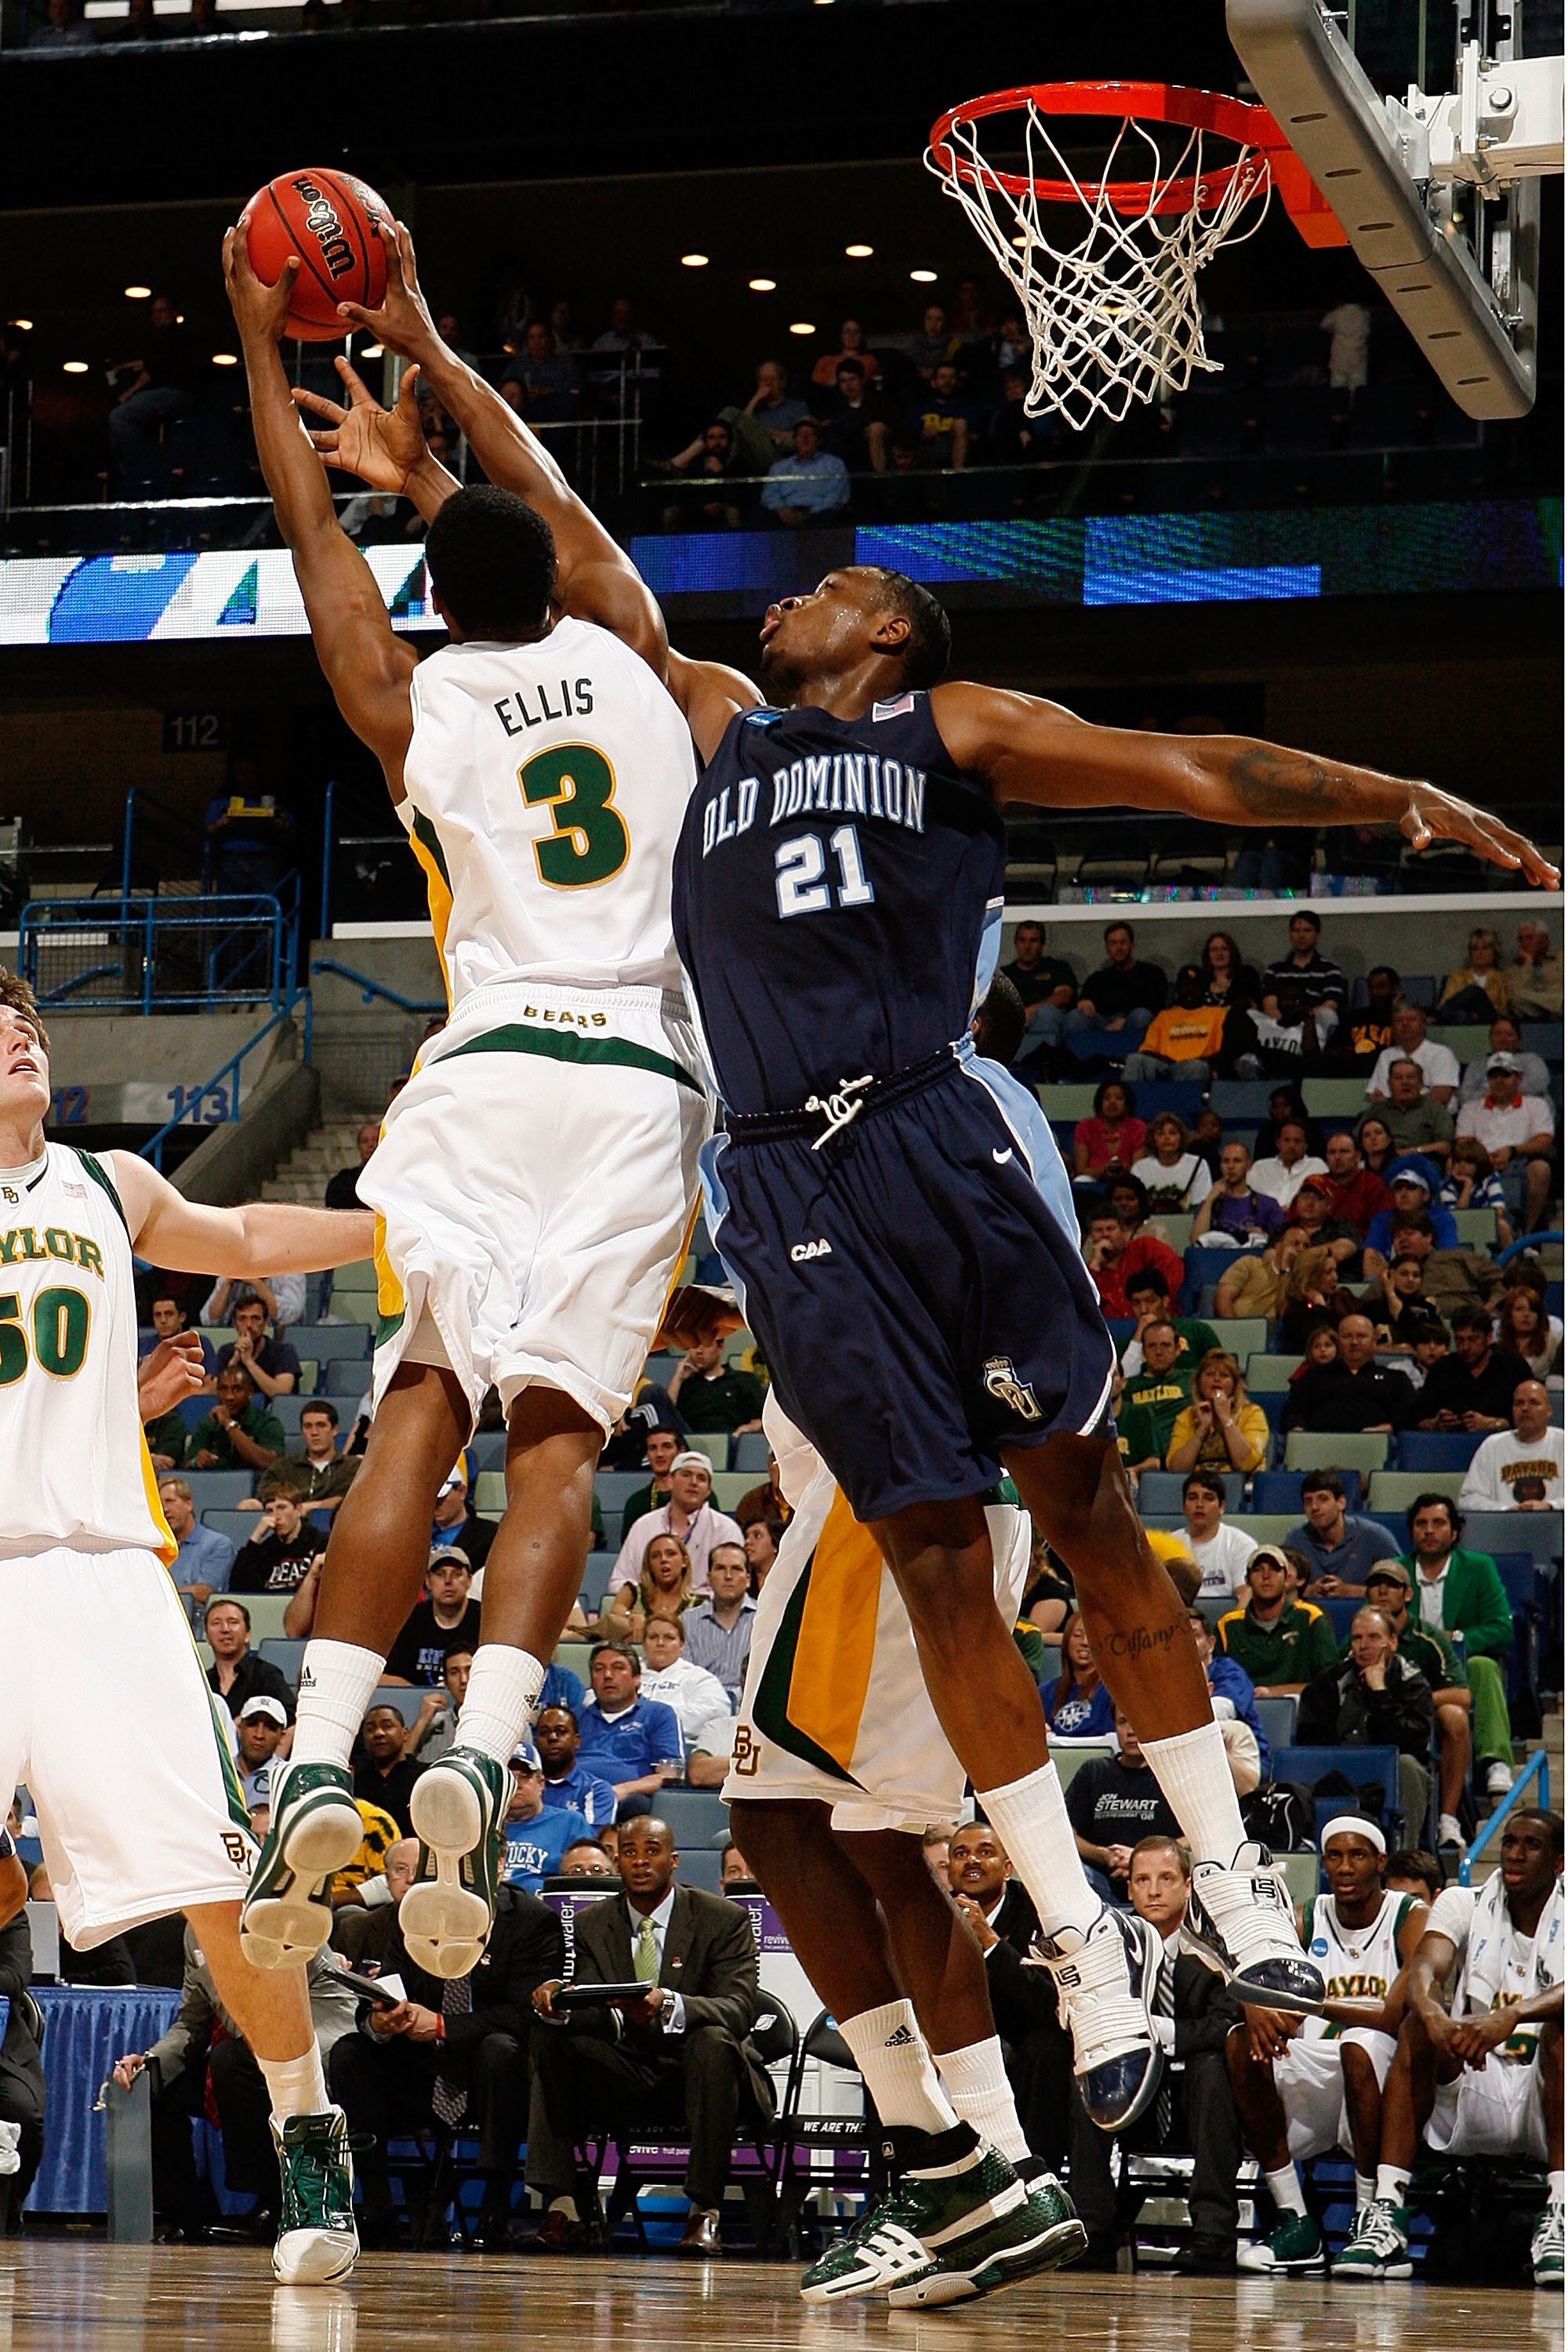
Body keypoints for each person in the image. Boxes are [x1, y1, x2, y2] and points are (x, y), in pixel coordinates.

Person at [314, 234, 1557, 2254]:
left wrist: (1393, 793)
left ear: (882, 638)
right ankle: (1021, 2031)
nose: (802, 582)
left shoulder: (937, 728)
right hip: (779, 1185)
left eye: (838, 581)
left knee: (1074, 1510)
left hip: (927, 1121)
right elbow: (568, 539)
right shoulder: (702, 722)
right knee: (871, 1658)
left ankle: (1181, 1911)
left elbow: (1188, 770)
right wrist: (440, 371)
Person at [224, 224, 715, 1992]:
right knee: (559, 1442)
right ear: (570, 589)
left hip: (487, 1064)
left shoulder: (413, 695)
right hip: (641, 1082)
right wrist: (434, 352)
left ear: (441, 598)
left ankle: (312, 1761)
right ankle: (482, 1750)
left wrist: (254, 336)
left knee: (418, 1402)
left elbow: (309, 547)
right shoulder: (657, 667)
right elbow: (552, 504)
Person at [0, 971, 372, 2281]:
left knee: (219, 1885)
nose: (20, 1042)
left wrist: (381, 1228)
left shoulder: (110, 1186)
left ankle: (307, 2126)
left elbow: (252, 1238)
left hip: (99, 1570)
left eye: (31, 1028)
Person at [526, 1815, 773, 2257]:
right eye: (629, 1852)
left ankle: (704, 2212)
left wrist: (671, 2004)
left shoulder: (724, 1919)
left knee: (713, 2042)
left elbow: (737, 2011)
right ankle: (565, 2208)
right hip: (628, 2072)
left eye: (651, 1851)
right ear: (616, 1861)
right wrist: (561, 2004)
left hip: (704, 2078)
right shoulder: (593, 1924)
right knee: (551, 2040)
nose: (640, 1861)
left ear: (674, 1860)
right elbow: (598, 2016)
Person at [1334, 1809, 1563, 2287]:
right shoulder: (1464, 1901)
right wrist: (1437, 2016)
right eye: (1511, 1842)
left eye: (1533, 1845)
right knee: (1418, 2025)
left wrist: (1513, 2015)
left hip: (1549, 2094)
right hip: (1475, 2084)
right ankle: (1388, 2211)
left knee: (1563, 2031)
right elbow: (1423, 1969)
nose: (1516, 1854)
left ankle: (1560, 2214)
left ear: (1560, 1862)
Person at [329, 1849, 564, 2252]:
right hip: (421, 2071)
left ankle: (494, 2208)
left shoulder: (531, 1919)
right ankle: (376, 2206)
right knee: (351, 2051)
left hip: (493, 2079)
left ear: (498, 1859)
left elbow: (527, 2014)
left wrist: (442, 2025)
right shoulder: (417, 1916)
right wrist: (380, 2019)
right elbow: (386, 1990)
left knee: (499, 2049)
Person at [1232, 1817, 1428, 2274]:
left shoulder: (1409, 1915)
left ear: (1380, 1861)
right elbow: (1251, 1968)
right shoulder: (1307, 1914)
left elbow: (1393, 2014)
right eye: (1335, 1857)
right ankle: (1295, 2218)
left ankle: (1368, 2215)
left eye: (1357, 1856)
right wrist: (1255, 2008)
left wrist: (1313, 2006)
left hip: (1382, 2064)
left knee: (1358, 2045)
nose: (1344, 1867)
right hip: (1319, 2063)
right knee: (1241, 2043)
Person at [114, 1925, 358, 2247]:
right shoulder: (195, 1933)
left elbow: (273, 2007)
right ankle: (186, 2217)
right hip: (253, 2048)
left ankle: (275, 2204)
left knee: (232, 2060)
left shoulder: (278, 1915)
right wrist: (150, 2061)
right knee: (159, 2084)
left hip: (321, 2040)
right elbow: (191, 2023)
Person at [1069, 1836, 1246, 2274]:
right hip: (1130, 2098)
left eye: (1166, 1879)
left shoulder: (1217, 1944)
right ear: (1127, 1889)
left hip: (1197, 2102)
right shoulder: (1109, 1945)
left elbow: (1226, 2023)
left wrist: (1160, 2032)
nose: (1153, 1891)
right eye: (1142, 1880)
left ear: (1188, 1886)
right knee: (1088, 2076)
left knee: (1212, 2067)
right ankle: (1091, 2231)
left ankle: (1213, 2234)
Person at [1397, 1494, 1516, 1801]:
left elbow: (1502, 1627)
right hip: (1408, 1669)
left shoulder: (1478, 1568)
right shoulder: (1397, 1571)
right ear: (1411, 1531)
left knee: (1485, 1666)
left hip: (1460, 1666)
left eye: (1438, 1523)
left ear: (1453, 1531)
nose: (1429, 1530)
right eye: (1421, 1524)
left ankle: (1495, 1760)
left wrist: (1456, 1639)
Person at [1296, 1607, 1435, 1843]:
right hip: (1339, 1774)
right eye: (1357, 1638)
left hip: (1392, 1778)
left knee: (1408, 1765)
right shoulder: (1329, 1682)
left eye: (1373, 1637)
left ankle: (1403, 1857)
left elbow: (1412, 1742)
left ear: (1392, 1642)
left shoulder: (1412, 1683)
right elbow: (1309, 1738)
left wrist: (1379, 1692)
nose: (1363, 1645)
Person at [1359, 1562, 1472, 1849]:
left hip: (1418, 1722)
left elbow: (1462, 1694)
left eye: (1391, 1585)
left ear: (1408, 1594)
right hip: (1373, 1724)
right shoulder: (1358, 1639)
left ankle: (1447, 1817)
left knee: (1454, 1716)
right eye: (1375, 1585)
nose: (1383, 1591)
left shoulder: (1428, 1638)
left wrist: (1415, 1699)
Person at [1065, 1711, 1184, 1900]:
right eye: (1123, 1722)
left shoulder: (1172, 1775)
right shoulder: (1094, 1771)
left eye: (1138, 1722)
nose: (1131, 1732)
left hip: (1158, 1879)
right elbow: (1067, 1832)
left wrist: (1141, 1858)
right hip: (1099, 1880)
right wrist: (1103, 1855)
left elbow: (1194, 1836)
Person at [612, 1455, 744, 1600]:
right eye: (686, 1475)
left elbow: (734, 1585)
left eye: (701, 1478)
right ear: (670, 1482)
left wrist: (685, 1601)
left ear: (708, 1491)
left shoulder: (726, 1530)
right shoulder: (643, 1526)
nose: (694, 1482)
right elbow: (618, 1582)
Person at [1218, 1547, 1338, 1698]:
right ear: (1247, 1580)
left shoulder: (1310, 1618)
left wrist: (1273, 1693)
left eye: (1274, 1569)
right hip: (1243, 1706)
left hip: (1301, 1707)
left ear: (1287, 1578)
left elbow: (1329, 1681)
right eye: (1258, 1570)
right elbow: (1218, 1682)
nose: (1266, 1576)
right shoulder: (1228, 1625)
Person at [1456, 1053, 1556, 1233]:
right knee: (1453, 1164)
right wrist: (1487, 1159)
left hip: (1520, 1161)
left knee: (1541, 1169)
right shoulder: (1470, 1108)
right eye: (1494, 1076)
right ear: (1488, 1080)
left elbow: (1544, 1141)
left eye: (1506, 1075)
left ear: (1519, 1078)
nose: (1499, 1081)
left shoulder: (1536, 1105)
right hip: (1480, 1163)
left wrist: (1512, 1151)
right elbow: (1463, 1143)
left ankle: (1526, 1236)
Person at [575, 1644, 684, 1805]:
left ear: (637, 1678)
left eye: (618, 1668)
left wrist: (622, 1790)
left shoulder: (658, 1714)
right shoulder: (575, 1718)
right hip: (575, 1799)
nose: (608, 1675)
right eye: (599, 1669)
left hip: (628, 1801)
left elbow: (670, 1776)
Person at [1279, 1312, 1415, 1435]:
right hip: (1320, 1450)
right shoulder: (1313, 1377)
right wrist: (1298, 1431)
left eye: (1361, 1336)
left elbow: (1410, 1416)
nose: (1354, 1342)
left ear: (1374, 1341)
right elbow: (1292, 1413)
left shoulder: (1396, 1379)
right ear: (1338, 1342)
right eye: (1347, 1336)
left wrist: (1390, 1428)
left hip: (1374, 1449)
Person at [1413, 1305, 1533, 1432]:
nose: (1465, 1347)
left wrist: (1495, 1423)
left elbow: (1533, 1416)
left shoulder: (1513, 1366)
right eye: (1460, 1340)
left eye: (1473, 1339)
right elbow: (1416, 1419)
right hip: (1451, 1443)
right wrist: (1435, 1424)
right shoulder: (1442, 1369)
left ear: (1489, 1337)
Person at [1186, 1611, 1269, 1788]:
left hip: (1243, 1765)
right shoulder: (1169, 1678)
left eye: (1193, 1635)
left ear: (1210, 1644)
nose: (1185, 1643)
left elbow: (1218, 1711)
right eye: (1180, 1636)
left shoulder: (1229, 1671)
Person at [1285, 1470, 1399, 1595]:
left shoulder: (1375, 1536)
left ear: (1341, 1503)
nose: (1314, 1507)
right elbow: (1282, 1589)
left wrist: (1348, 1591)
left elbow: (1399, 1590)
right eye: (1308, 1502)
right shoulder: (1296, 1538)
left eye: (1323, 1499)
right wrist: (1312, 1591)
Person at [1460, 1377, 1565, 1512]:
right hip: (1504, 1528)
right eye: (1519, 1403)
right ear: (1512, 1411)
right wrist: (1507, 1511)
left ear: (1549, 1411)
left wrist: (1551, 1506)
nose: (1525, 1408)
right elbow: (1468, 1499)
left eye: (1534, 1403)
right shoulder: (1492, 1446)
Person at [499, 1744, 593, 1893]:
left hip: (547, 1909)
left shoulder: (570, 1823)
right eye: (508, 1777)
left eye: (524, 1777)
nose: (516, 1784)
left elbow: (588, 1880)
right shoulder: (483, 1826)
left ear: (541, 1783)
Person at [383, 1548, 483, 1685]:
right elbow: (384, 1676)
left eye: (456, 1574)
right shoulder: (410, 1619)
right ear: (428, 1581)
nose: (448, 1581)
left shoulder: (484, 1619)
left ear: (469, 1580)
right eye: (440, 1574)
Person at [1165, 1352, 1269, 1479]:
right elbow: (1176, 1470)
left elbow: (1246, 1464)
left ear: (1235, 1385)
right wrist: (1201, 1430)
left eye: (1224, 1375)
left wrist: (1226, 1419)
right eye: (1209, 1374)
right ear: (1198, 1382)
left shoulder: (1252, 1413)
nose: (1217, 1379)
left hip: (1241, 1490)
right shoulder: (1186, 1416)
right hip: (1196, 1490)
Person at [1121, 964, 1229, 1086]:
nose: (1189, 990)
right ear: (1178, 989)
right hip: (1164, 1066)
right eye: (1185, 986)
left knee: (1196, 1067)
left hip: (1197, 1066)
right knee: (1135, 1060)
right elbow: (1147, 1050)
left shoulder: (1218, 1014)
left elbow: (1222, 1052)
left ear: (1204, 989)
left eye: (1195, 986)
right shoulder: (1164, 1016)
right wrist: (1169, 1062)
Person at [254, 1401, 359, 1519]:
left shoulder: (352, 1466)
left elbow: (351, 1500)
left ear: (334, 1430)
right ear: (302, 1432)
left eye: (321, 1425)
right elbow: (265, 1498)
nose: (314, 1433)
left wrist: (309, 1507)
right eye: (308, 1426)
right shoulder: (283, 1467)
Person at [1116, 1320, 1196, 1472]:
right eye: (1152, 1346)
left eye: (1165, 1345)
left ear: (1178, 1349)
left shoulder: (1193, 1381)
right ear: (1143, 1353)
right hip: (1139, 1460)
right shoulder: (1127, 1387)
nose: (1159, 1352)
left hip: (1181, 1457)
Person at [679, 1544, 756, 1699]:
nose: (728, 1576)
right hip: (700, 1707)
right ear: (709, 1579)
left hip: (751, 1708)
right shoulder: (687, 1622)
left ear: (748, 1580)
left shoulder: (765, 1620)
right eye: (720, 1568)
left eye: (736, 1569)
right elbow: (683, 1677)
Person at [158, 1475, 237, 1624]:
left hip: (199, 1624)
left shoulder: (218, 1544)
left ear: (188, 1504)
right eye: (160, 1505)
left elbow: (204, 1592)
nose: (165, 1510)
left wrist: (157, 1593)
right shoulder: (156, 1548)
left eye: (170, 1502)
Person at [205, 1596, 296, 1724]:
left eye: (233, 1622)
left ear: (248, 1634)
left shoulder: (267, 1675)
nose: (225, 1629)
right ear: (207, 1637)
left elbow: (291, 1717)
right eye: (216, 1623)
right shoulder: (202, 1683)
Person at [1082, 1203, 1181, 1321]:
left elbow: (1174, 1271)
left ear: (1123, 1232)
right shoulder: (1091, 1270)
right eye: (1099, 1230)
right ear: (1091, 1236)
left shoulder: (1145, 1247)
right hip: (1113, 1332)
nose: (1105, 1235)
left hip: (1156, 1325)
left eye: (1111, 1229)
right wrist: (1096, 1263)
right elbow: (1085, 1305)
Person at [1116, 1272, 1218, 1380]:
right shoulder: (1125, 1346)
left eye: (1150, 1301)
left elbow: (1221, 1369)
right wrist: (1137, 1340)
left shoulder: (1197, 1331)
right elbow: (1122, 1384)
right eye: (1136, 1303)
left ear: (1165, 1301)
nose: (1143, 1310)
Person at [188, 1363, 284, 1476]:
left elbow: (268, 1463)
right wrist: (197, 1461)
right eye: (223, 1389)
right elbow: (185, 1465)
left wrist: (229, 1425)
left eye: (237, 1389)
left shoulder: (268, 1423)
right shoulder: (208, 1423)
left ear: (250, 1392)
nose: (230, 1397)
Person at [533, 1704, 617, 1832]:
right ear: (535, 1742)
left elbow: (592, 1847)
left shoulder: (597, 1790)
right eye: (544, 1733)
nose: (553, 1738)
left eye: (561, 1731)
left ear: (576, 1741)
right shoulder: (525, 1789)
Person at [1178, 1472, 1258, 1602]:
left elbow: (1245, 1594)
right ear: (1183, 1507)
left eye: (1208, 1498)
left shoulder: (1242, 1544)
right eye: (1192, 1498)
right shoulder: (1170, 1543)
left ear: (1222, 1507)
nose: (1199, 1504)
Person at [664, 1333, 764, 1436]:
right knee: (653, 1392)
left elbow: (759, 1421)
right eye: (694, 1346)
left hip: (730, 1437)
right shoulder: (685, 1383)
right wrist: (678, 1378)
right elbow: (666, 1415)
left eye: (706, 1345)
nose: (699, 1351)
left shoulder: (743, 1380)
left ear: (720, 1348)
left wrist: (745, 1429)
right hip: (690, 1439)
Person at [1366, 999, 1460, 1106]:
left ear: (1423, 1025)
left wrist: (1403, 1105)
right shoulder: (1386, 1056)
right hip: (1394, 1118)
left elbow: (1442, 1095)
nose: (1405, 1024)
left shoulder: (1441, 1053)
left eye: (1411, 1019)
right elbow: (1376, 1096)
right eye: (1399, 1020)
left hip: (1431, 1118)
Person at [1192, 1142, 1287, 1247]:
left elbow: (1282, 1243)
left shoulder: (1268, 1204)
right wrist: (1209, 1200)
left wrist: (1263, 1236)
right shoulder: (1210, 1204)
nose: (1231, 1166)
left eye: (1237, 1161)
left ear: (1249, 1165)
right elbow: (1196, 1242)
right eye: (1226, 1161)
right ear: (1220, 1166)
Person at [231, 1490, 326, 1595]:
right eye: (269, 1511)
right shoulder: (265, 1550)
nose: (276, 1516)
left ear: (299, 1510)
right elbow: (238, 1588)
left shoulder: (320, 1542)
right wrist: (255, 1537)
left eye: (281, 1508)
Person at [1261, 909, 1345, 1026]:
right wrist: (1286, 1022)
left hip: (1314, 1025)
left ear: (1318, 936)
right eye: (1296, 931)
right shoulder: (1275, 970)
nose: (1301, 935)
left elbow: (1331, 1004)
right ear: (1290, 935)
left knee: (1328, 1015)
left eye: (1307, 931)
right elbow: (1269, 1006)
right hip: (1280, 1026)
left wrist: (1303, 1020)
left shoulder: (1330, 970)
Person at [760, 418, 851, 525]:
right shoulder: (779, 467)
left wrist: (811, 513)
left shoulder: (834, 464)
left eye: (811, 434)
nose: (805, 438)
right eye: (801, 434)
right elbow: (769, 494)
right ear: (795, 440)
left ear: (819, 440)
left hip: (820, 514)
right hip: (786, 512)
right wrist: (781, 509)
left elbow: (837, 497)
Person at [1361, 1163, 1458, 1262]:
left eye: (1411, 1187)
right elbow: (1370, 1258)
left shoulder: (1442, 1218)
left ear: (1426, 1194)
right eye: (1398, 1188)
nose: (1403, 1194)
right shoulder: (1382, 1219)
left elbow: (1448, 1258)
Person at [353, 1705, 425, 1838]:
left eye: (387, 1726)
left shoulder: (424, 1777)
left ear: (405, 1734)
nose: (379, 1733)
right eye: (370, 1729)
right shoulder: (355, 1781)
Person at [1214, 1223, 1307, 1325]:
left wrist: (1285, 1270)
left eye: (1306, 1246)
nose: (1301, 1250)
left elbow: (1282, 1313)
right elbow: (1223, 1297)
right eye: (1295, 1244)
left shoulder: (1301, 1283)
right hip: (1235, 1326)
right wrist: (1233, 1329)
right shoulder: (1249, 1263)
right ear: (1278, 1247)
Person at [212, 1296, 301, 1401]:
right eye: (242, 1319)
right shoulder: (226, 1351)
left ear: (265, 1323)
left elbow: (281, 1394)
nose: (249, 1325)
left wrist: (249, 1362)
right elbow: (214, 1393)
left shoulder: (283, 1351)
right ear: (235, 1324)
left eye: (255, 1318)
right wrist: (233, 1363)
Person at [1042, 1613, 1114, 1739]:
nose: (1085, 1643)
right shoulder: (1045, 1692)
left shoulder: (1114, 1692)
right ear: (1066, 1641)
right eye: (1078, 1635)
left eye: (1092, 1636)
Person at [1376, 1058, 1456, 1170]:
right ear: (1389, 1084)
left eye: (1411, 1077)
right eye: (1398, 1078)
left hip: (1422, 1165)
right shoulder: (1377, 1111)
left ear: (1421, 1082)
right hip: (1384, 1165)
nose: (1405, 1082)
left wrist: (1415, 1151)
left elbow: (1446, 1146)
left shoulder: (1435, 1109)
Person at [1457, 1014, 1552, 1106]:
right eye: (1498, 1034)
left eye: (1509, 1034)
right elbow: (1465, 1097)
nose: (1503, 1038)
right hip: (1486, 1117)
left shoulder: (1531, 1060)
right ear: (1491, 1038)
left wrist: (1497, 1093)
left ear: (1518, 1039)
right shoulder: (1476, 1065)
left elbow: (1538, 1085)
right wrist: (1495, 1094)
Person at [1129, 1113, 1209, 1214]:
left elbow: (1200, 1206)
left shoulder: (1198, 1165)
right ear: (1153, 1140)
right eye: (1160, 1134)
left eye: (1173, 1133)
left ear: (1181, 1137)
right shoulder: (1140, 1168)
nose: (1167, 1137)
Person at [1072, 1080, 1146, 1184]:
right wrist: (1103, 1170)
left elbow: (1139, 1170)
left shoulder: (1138, 1127)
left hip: (1128, 1181)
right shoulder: (1085, 1126)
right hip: (1094, 1179)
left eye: (1119, 1098)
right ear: (1100, 1103)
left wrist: (1123, 1169)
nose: (1112, 1102)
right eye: (1107, 1098)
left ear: (1127, 1104)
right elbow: (1081, 1170)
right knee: (1081, 1181)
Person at [1321, 1128, 1393, 1233]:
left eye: (1344, 1152)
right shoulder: (1316, 1184)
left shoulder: (1373, 1185)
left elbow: (1382, 1228)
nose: (1337, 1157)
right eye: (1332, 1153)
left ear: (1358, 1156)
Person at [618, 1425, 682, 1541]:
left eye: (667, 1447)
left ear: (680, 1451)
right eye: (653, 1448)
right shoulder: (636, 1503)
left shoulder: (698, 1496)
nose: (659, 1454)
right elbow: (629, 1552)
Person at [1248, 1120, 1328, 1211]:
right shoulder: (1260, 1168)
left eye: (1297, 1141)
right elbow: (1248, 1201)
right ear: (1278, 1143)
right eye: (1287, 1140)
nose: (1292, 1146)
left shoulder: (1317, 1166)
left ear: (1305, 1145)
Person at [1438, 925, 1510, 1024]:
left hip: (1491, 1020)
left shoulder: (1503, 978)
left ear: (1494, 951)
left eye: (1485, 948)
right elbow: (1446, 1004)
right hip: (1462, 1020)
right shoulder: (1457, 977)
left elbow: (1505, 1010)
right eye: (1475, 949)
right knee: (1461, 1015)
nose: (1480, 953)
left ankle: (1434, 1016)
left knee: (1474, 991)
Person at [1505, 918, 1563, 1021]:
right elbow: (1515, 998)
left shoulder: (1561, 959)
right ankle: (1551, 1013)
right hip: (1534, 1014)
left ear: (1545, 940)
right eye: (1521, 939)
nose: (1525, 943)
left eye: (1530, 938)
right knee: (1516, 997)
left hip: (1559, 1000)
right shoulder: (1513, 969)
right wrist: (1528, 964)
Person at [325, 1120, 380, 1212]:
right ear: (359, 1147)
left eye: (376, 1140)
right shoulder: (343, 1182)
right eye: (365, 1141)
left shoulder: (396, 1179)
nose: (371, 1145)